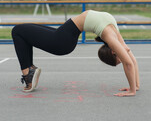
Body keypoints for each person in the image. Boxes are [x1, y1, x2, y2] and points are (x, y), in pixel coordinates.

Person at [12, 9, 140, 97]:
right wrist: (135, 87)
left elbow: (129, 62)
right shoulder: (114, 37)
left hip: (63, 40)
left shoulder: (111, 35)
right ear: (114, 51)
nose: (123, 56)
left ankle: (28, 73)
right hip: (63, 37)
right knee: (21, 31)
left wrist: (133, 89)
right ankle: (30, 71)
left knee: (18, 31)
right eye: (120, 58)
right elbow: (130, 60)